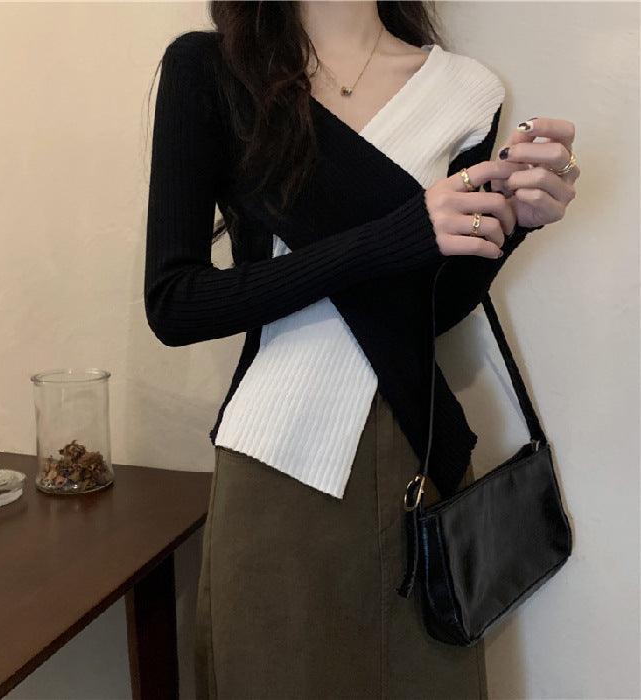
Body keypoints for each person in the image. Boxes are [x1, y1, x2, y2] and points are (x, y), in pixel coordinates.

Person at [143, 2, 579, 697]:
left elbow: (425, 311)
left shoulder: (466, 91)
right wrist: (396, 236)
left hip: (421, 461)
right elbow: (175, 302)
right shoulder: (213, 69)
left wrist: (516, 224)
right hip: (277, 469)